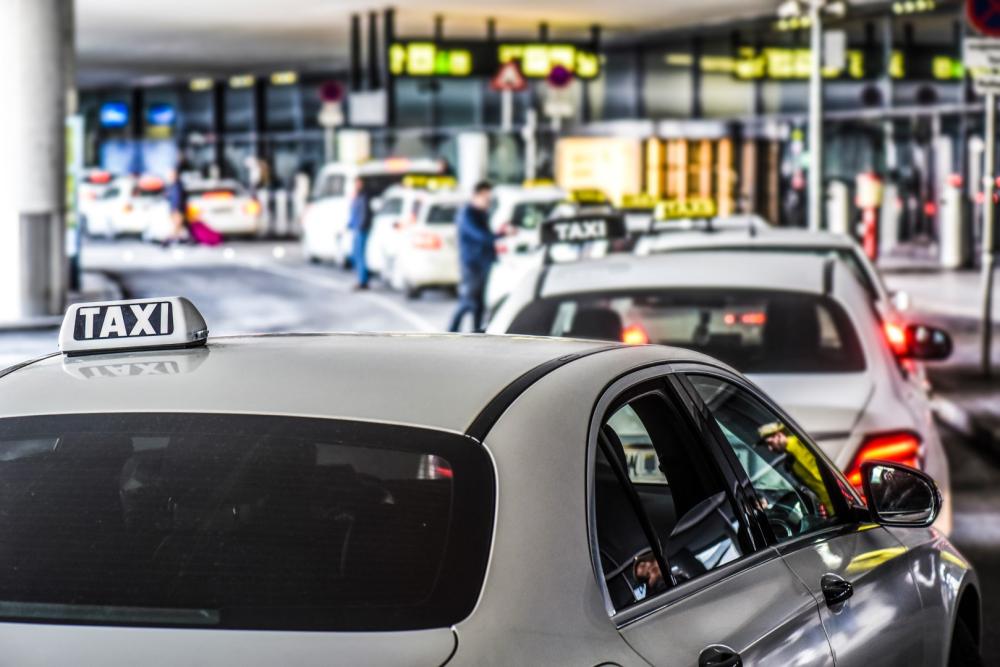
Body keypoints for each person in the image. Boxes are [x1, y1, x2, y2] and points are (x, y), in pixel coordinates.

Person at [449, 181, 497, 333]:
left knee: (479, 304)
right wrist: (500, 235)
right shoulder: (466, 215)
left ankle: (476, 333)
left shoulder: (481, 214)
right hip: (471, 264)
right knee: (468, 302)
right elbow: (480, 236)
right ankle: (450, 332)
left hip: (483, 263)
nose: (488, 203)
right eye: (486, 199)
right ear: (476, 196)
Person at [348, 177, 372, 290]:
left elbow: (364, 214)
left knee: (360, 256)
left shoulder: (363, 197)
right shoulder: (356, 196)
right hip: (356, 229)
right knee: (355, 255)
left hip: (361, 230)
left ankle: (363, 281)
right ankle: (361, 278)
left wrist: (360, 227)